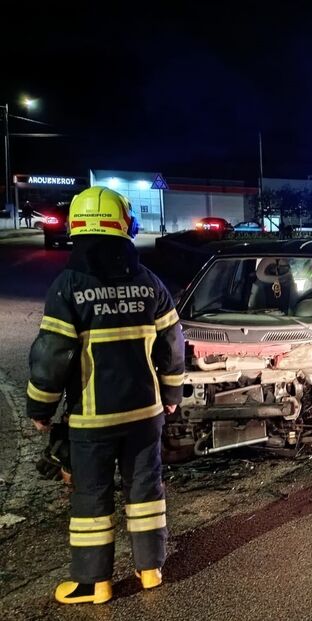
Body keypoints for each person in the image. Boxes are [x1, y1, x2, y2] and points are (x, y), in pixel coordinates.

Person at [25, 187, 184, 605]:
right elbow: (172, 345)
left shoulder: (69, 286)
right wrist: (171, 394)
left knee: (91, 496)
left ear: (76, 228)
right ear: (124, 226)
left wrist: (40, 407)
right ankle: (150, 569)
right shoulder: (150, 283)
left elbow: (51, 355)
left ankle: (94, 583)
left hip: (92, 421)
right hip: (146, 414)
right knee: (146, 489)